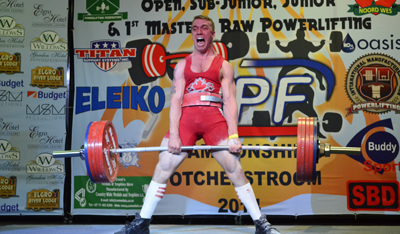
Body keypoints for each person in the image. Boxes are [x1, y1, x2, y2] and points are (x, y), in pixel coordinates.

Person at [115, 15, 280, 234]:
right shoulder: (182, 66)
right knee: (164, 164)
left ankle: (261, 224)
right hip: (187, 120)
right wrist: (174, 134)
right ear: (192, 34)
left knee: (234, 168)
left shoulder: (225, 66)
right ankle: (142, 224)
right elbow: (175, 101)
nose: (199, 31)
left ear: (212, 34)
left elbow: (230, 101)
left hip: (214, 119)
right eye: (195, 29)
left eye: (204, 28)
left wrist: (233, 136)